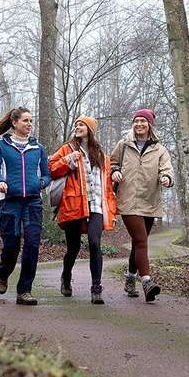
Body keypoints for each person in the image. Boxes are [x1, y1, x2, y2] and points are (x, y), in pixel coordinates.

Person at [0, 107, 50, 305]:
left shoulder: (38, 148)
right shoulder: (1, 146)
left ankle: (24, 291)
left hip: (32, 202)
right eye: (26, 121)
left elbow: (47, 174)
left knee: (32, 245)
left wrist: (40, 184)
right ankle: (3, 273)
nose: (29, 124)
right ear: (14, 123)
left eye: (31, 121)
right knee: (11, 245)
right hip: (10, 201)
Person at [48, 116, 118, 305]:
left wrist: (112, 210)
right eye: (76, 124)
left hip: (96, 206)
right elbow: (50, 169)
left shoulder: (102, 155)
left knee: (95, 243)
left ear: (90, 129)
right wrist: (67, 161)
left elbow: (107, 186)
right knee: (73, 248)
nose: (77, 127)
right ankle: (66, 276)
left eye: (81, 124)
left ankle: (96, 288)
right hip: (74, 205)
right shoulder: (67, 149)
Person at [110, 109, 174, 302]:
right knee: (141, 240)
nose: (139, 124)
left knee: (139, 242)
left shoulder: (160, 149)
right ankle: (146, 281)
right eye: (136, 121)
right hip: (128, 200)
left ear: (149, 125)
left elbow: (167, 169)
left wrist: (166, 178)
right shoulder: (123, 145)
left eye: (143, 122)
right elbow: (112, 163)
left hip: (150, 201)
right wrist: (114, 172)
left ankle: (130, 277)